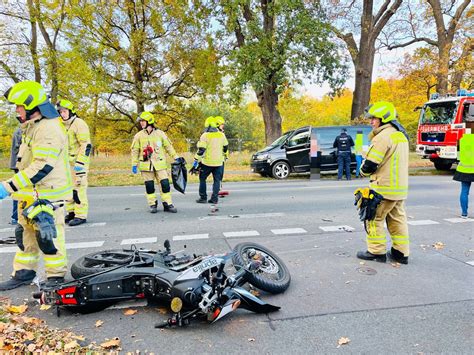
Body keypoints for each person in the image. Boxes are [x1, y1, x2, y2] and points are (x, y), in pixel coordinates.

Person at [0, 81, 72, 290]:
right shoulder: (32, 127)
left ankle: (56, 278)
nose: (17, 110)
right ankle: (23, 273)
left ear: (32, 106)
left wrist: (8, 187)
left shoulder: (49, 129)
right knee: (26, 236)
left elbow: (42, 167)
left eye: (19, 106)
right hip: (30, 194)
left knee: (48, 237)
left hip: (48, 194)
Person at [357, 101, 410, 264]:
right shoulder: (400, 135)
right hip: (399, 189)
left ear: (384, 119)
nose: (371, 121)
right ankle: (401, 253)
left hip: (383, 188)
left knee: (373, 219)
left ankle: (376, 252)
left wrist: (361, 171)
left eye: (374, 118)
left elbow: (371, 164)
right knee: (397, 220)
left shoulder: (382, 137)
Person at [131, 111, 181, 213]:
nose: (141, 123)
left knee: (165, 184)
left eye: (143, 121)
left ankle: (168, 204)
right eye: (140, 121)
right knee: (149, 186)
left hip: (160, 165)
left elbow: (168, 146)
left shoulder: (160, 134)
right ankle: (152, 204)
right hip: (146, 165)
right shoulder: (138, 136)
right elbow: (135, 150)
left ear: (149, 121)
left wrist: (175, 157)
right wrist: (134, 164)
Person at [57, 99, 92, 226]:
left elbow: (86, 145)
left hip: (78, 163)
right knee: (67, 189)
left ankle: (81, 215)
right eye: (60, 112)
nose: (63, 114)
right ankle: (71, 212)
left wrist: (81, 163)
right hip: (65, 163)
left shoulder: (79, 123)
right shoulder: (60, 124)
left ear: (71, 111)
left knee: (79, 189)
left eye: (65, 111)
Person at [190, 116, 229, 204]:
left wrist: (195, 161)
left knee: (202, 178)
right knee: (217, 180)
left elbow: (201, 150)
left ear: (207, 126)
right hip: (219, 163)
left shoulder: (205, 135)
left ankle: (203, 198)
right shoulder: (221, 135)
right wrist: (223, 153)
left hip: (207, 163)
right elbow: (226, 146)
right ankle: (214, 199)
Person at [453, 134, 474, 218]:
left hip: (464, 169)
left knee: (464, 191)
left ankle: (464, 213)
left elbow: (458, 155)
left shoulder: (462, 139)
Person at [9, 127, 22, 225]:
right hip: (19, 164)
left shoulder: (19, 129)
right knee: (20, 189)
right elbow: (19, 147)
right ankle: (15, 216)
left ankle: (16, 216)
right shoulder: (21, 130)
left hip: (18, 164)